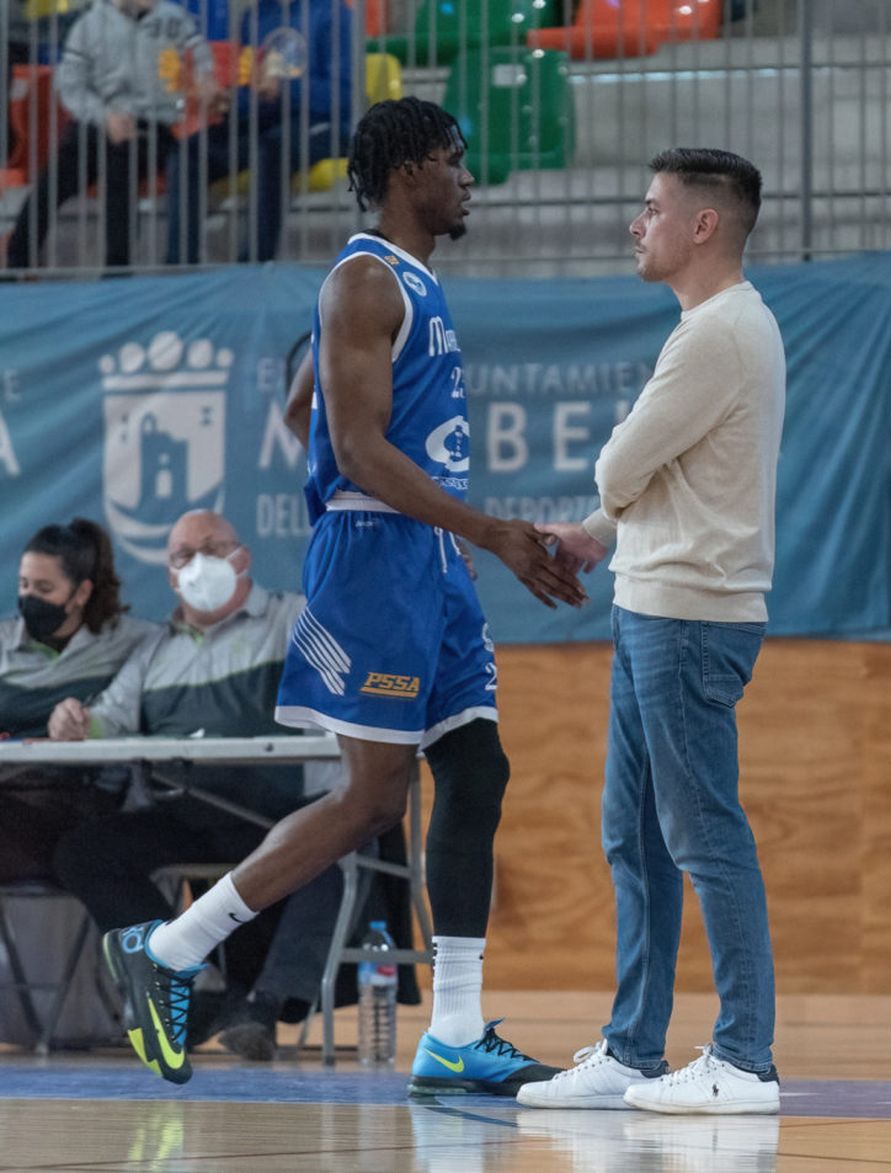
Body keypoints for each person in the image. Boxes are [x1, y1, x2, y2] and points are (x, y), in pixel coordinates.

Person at [102, 96, 587, 1090]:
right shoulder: (364, 280)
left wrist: (439, 523)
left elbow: (306, 410)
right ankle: (171, 950)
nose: (467, 180)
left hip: (428, 559)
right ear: (408, 170)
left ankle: (453, 1030)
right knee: (371, 799)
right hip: (380, 560)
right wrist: (486, 530)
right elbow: (357, 448)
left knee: (477, 769)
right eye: (453, 160)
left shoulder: (407, 285)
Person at [519, 148, 786, 1116]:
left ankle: (744, 1059)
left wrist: (601, 504)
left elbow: (622, 463)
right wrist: (596, 539)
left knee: (703, 835)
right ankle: (634, 1048)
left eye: (650, 209)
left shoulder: (717, 334)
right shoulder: (716, 329)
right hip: (651, 606)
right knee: (631, 835)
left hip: (687, 618)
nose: (637, 225)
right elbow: (659, 481)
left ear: (702, 226)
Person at [50, 509, 346, 1062]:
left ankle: (261, 1004)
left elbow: (349, 691)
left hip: (280, 820)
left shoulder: (297, 621)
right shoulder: (154, 654)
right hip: (190, 819)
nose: (198, 562)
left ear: (243, 558)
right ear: (169, 576)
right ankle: (193, 976)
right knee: (85, 852)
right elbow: (104, 720)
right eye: (183, 555)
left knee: (333, 845)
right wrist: (73, 721)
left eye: (212, 547)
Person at [4, 0, 213, 271]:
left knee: (121, 165)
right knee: (52, 182)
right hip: (96, 120)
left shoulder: (174, 19)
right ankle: (16, 263)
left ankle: (117, 269)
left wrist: (206, 78)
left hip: (152, 123)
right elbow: (70, 85)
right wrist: (104, 116)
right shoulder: (89, 26)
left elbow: (201, 57)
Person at [0, 519, 155, 882]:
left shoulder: (134, 643)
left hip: (86, 805)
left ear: (81, 593)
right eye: (23, 586)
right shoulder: (4, 642)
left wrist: (86, 723)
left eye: (44, 587)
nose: (29, 599)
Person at [165, 0, 352, 264]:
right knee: (190, 152)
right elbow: (249, 85)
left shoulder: (333, 13)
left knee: (273, 148)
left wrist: (286, 89)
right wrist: (229, 101)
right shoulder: (254, 17)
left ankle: (255, 263)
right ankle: (179, 264)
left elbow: (344, 95)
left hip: (323, 122)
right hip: (266, 120)